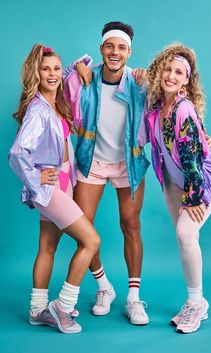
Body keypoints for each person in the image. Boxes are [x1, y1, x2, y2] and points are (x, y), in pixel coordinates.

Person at [9, 44, 100, 334]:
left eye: (56, 69)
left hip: (63, 183)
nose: (52, 74)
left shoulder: (55, 101)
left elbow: (74, 72)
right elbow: (17, 154)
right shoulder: (38, 109)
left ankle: (37, 310)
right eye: (45, 68)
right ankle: (63, 305)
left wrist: (79, 66)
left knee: (47, 246)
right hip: (50, 190)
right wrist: (36, 180)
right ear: (36, 72)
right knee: (91, 241)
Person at [63, 21, 150, 325]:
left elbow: (170, 106)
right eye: (110, 46)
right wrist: (77, 68)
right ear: (102, 49)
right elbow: (54, 82)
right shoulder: (85, 78)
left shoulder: (140, 83)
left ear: (129, 52)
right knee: (82, 229)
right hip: (93, 162)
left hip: (129, 163)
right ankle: (104, 287)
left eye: (122, 48)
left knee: (131, 225)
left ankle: (134, 298)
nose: (115, 52)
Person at [145, 43, 211, 333]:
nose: (171, 75)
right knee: (185, 239)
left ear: (186, 80)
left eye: (179, 72)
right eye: (167, 68)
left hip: (200, 180)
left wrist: (193, 197)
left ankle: (196, 302)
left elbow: (191, 159)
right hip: (172, 181)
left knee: (185, 232)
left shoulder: (183, 109)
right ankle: (196, 301)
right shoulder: (156, 108)